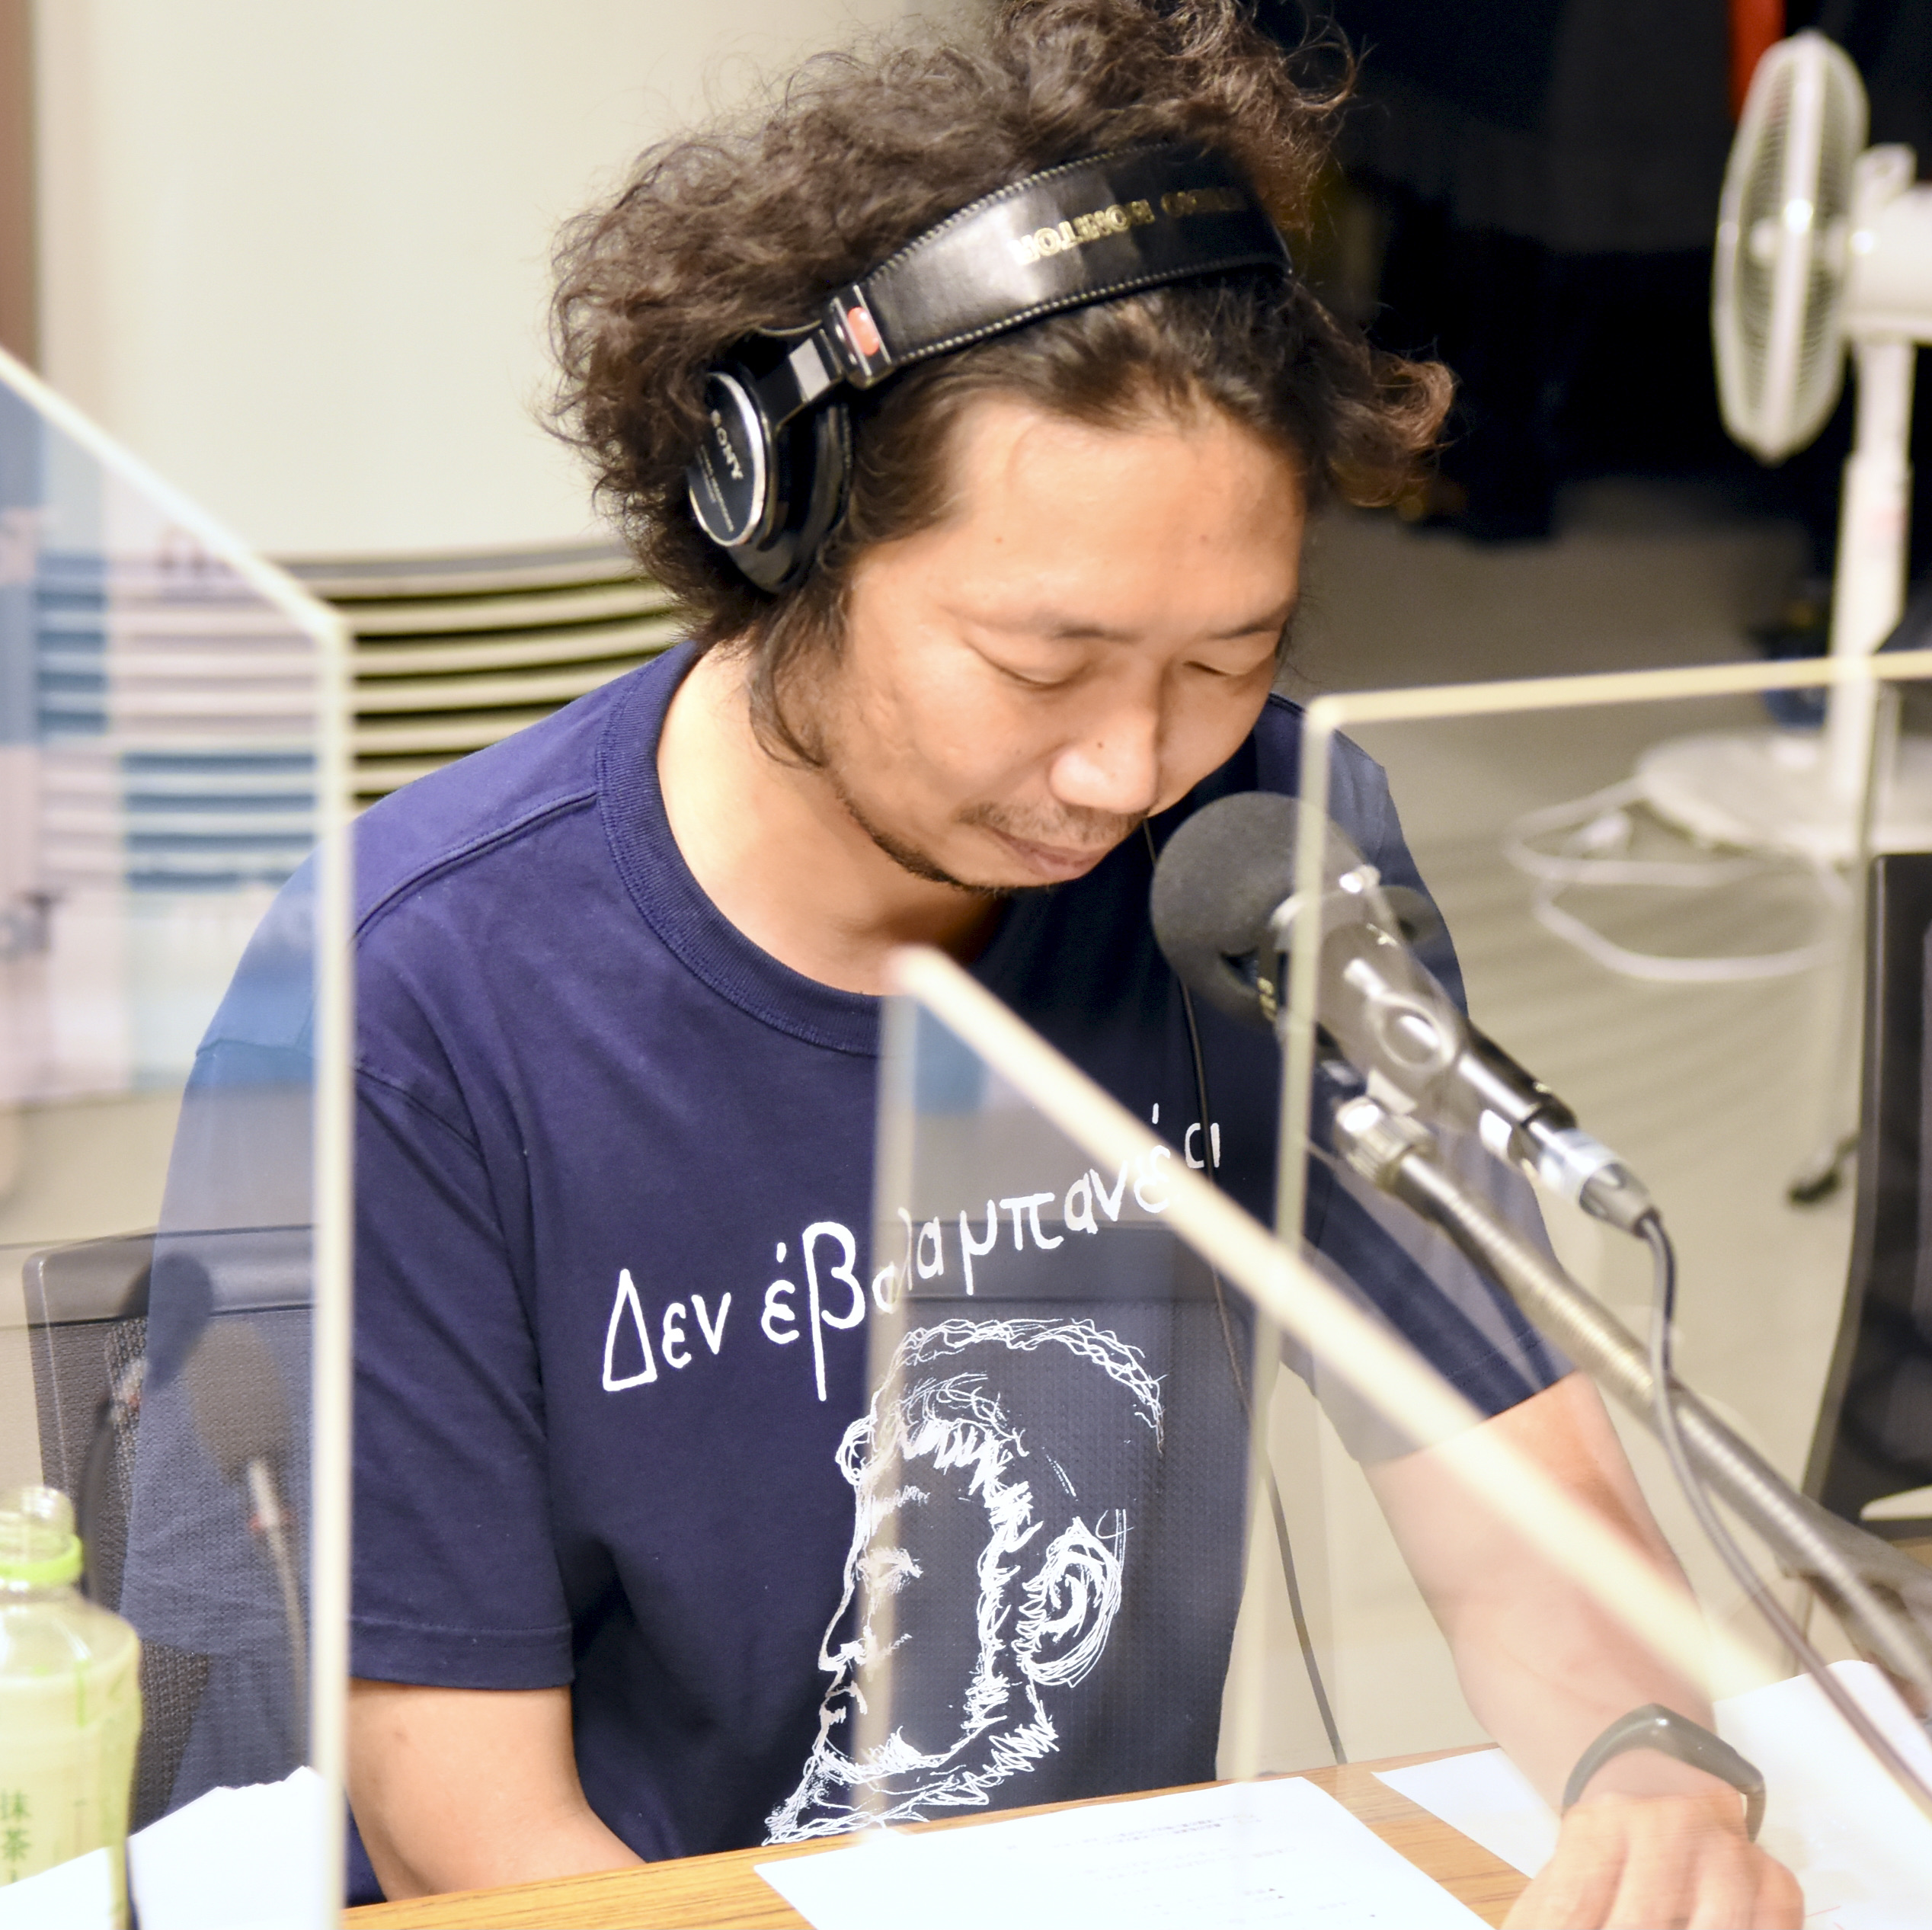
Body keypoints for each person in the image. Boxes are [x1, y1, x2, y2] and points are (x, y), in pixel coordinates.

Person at [318, 5, 1803, 1925]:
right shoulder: (423, 995)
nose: (1127, 771)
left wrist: (1651, 1773)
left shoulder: (1256, 863)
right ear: (785, 537)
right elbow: (470, 1834)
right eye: (1040, 666)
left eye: (1226, 658)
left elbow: (1525, 1501)